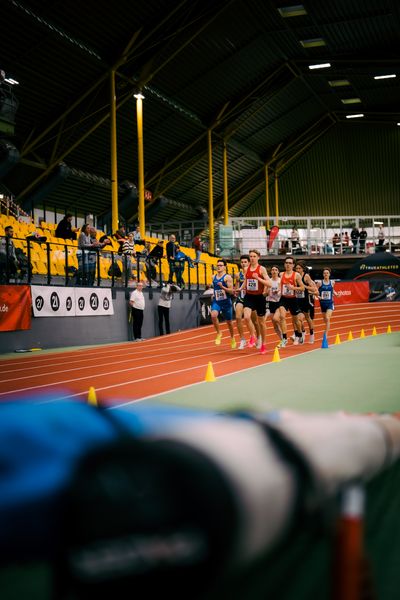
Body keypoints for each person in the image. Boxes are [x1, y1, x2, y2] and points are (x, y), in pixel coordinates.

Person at [242, 249, 270, 355]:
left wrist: (258, 278)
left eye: (254, 256)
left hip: (259, 297)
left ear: (258, 257)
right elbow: (246, 281)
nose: (252, 258)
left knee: (261, 322)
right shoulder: (246, 269)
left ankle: (263, 343)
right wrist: (240, 288)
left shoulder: (261, 269)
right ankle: (253, 337)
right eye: (250, 256)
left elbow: (270, 283)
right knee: (246, 317)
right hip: (249, 296)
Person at [273, 257, 304, 346]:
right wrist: (278, 290)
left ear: (293, 265)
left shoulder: (296, 275)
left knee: (296, 321)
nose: (288, 264)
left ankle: (299, 334)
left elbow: (302, 288)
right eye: (286, 263)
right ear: (284, 264)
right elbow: (280, 285)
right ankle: (284, 338)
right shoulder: (281, 274)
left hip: (293, 299)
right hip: (284, 299)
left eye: (290, 263)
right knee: (282, 317)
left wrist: (293, 288)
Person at [234, 254, 261, 350]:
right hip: (241, 298)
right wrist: (236, 291)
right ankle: (242, 339)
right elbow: (237, 286)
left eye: (245, 262)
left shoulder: (252, 272)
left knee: (254, 321)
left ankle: (258, 337)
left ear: (249, 262)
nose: (243, 263)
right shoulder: (238, 275)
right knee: (238, 317)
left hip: (251, 297)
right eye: (242, 262)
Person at [211, 259, 236, 349]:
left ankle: (232, 337)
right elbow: (215, 289)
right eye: (217, 265)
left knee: (229, 322)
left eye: (221, 265)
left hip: (226, 302)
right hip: (217, 301)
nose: (218, 267)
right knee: (213, 315)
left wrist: (222, 287)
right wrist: (213, 294)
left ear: (225, 267)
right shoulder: (213, 277)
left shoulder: (228, 277)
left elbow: (231, 291)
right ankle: (219, 333)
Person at [294, 260, 318, 344]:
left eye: (299, 268)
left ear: (303, 269)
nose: (297, 270)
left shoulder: (306, 276)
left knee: (308, 318)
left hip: (306, 301)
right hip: (297, 300)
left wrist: (304, 286)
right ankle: (302, 332)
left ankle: (312, 334)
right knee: (298, 318)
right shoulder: (294, 276)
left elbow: (313, 288)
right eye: (296, 268)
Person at [317, 268, 338, 336]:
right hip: (322, 304)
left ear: (329, 274)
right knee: (325, 320)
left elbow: (332, 290)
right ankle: (327, 328)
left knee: (327, 317)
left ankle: (326, 334)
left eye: (327, 273)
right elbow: (316, 291)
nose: (326, 274)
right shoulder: (320, 283)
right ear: (323, 274)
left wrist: (336, 294)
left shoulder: (332, 282)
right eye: (324, 273)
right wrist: (318, 296)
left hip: (330, 303)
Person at [265, 265, 283, 345]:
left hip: (279, 302)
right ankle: (282, 339)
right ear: (271, 272)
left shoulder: (281, 280)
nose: (274, 271)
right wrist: (267, 292)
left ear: (278, 272)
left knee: (276, 319)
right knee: (275, 325)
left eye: (276, 270)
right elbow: (264, 293)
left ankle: (284, 336)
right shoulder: (268, 281)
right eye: (272, 270)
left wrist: (278, 292)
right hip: (271, 302)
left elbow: (284, 291)